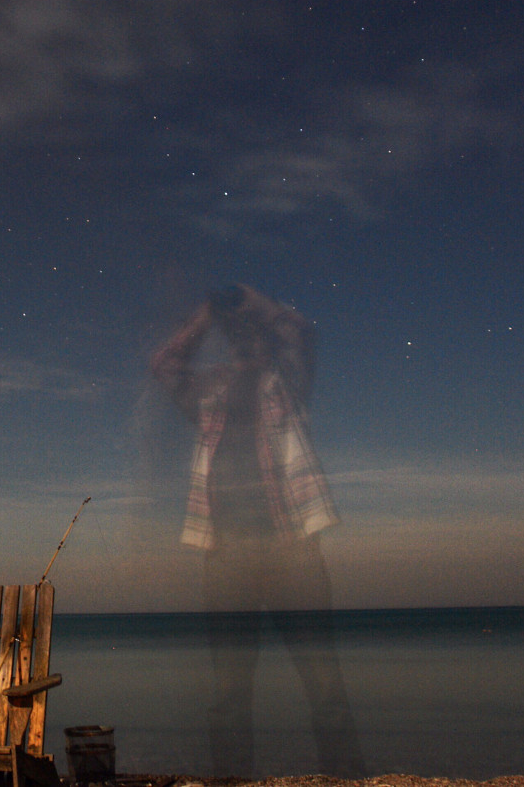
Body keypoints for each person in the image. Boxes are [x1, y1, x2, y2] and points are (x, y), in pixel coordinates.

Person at [149, 284, 365, 778]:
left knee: (325, 686)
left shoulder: (286, 381)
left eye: (254, 338)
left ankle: (348, 779)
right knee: (229, 693)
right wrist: (204, 317)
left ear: (266, 342)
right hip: (224, 554)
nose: (247, 345)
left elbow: (300, 330)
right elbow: (164, 365)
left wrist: (246, 300)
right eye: (237, 339)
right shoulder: (211, 393)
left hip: (292, 549)